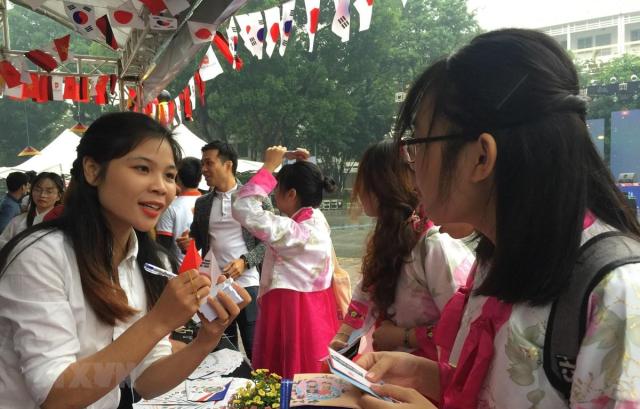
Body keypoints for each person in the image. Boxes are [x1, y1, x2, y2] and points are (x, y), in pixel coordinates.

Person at [354, 29, 640, 409]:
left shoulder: (616, 292)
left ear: (481, 157)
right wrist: (429, 376)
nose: (411, 164)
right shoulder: (494, 258)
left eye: (418, 144)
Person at [0, 112, 250, 409]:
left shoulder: (146, 261)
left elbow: (147, 380)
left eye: (170, 176)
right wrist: (159, 321)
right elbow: (56, 394)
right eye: (143, 168)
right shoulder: (40, 256)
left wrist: (207, 338)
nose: (162, 187)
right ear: (93, 170)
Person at [330, 140, 473, 360]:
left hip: (428, 379)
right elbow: (364, 292)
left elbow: (464, 324)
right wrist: (342, 336)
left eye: (365, 181)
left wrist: (402, 336)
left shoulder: (434, 245)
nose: (359, 191)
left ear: (382, 186)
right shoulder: (386, 240)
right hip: (395, 373)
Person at [232, 146, 339, 378]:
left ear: (291, 194)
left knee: (285, 374)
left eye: (277, 189)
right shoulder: (317, 220)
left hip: (289, 309)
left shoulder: (291, 231)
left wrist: (270, 166)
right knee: (311, 375)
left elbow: (243, 206)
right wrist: (302, 167)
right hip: (317, 309)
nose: (273, 193)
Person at [179, 140, 271, 360]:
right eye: (202, 164)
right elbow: (198, 239)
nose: (204, 170)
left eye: (209, 163)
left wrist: (245, 261)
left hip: (248, 285)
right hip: (215, 287)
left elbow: (270, 241)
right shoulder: (203, 203)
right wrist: (188, 243)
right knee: (223, 353)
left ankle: (262, 393)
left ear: (228, 165)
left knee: (255, 349)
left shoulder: (255, 198)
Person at [156, 157, 202, 264]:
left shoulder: (171, 207)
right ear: (200, 179)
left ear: (178, 177)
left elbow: (162, 247)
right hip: (206, 272)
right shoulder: (209, 203)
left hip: (178, 272)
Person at [0, 172, 64, 248]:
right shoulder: (17, 221)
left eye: (49, 191)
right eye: (37, 190)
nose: (42, 195)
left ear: (59, 196)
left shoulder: (63, 223)